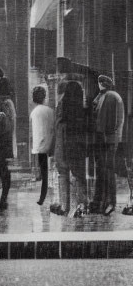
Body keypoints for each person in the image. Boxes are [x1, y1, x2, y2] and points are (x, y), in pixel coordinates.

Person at [52, 79, 90, 217]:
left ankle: (64, 206)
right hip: (77, 146)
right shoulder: (82, 110)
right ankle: (81, 205)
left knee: (63, 174)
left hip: (62, 145)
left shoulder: (61, 106)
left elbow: (58, 128)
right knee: (79, 176)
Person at [90, 74, 124, 216]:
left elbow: (106, 121)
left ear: (101, 84)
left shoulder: (109, 96)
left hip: (106, 139)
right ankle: (104, 201)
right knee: (106, 170)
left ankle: (108, 202)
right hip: (109, 139)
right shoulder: (109, 95)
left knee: (106, 171)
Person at [29, 86, 55, 206]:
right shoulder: (50, 111)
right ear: (44, 97)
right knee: (53, 172)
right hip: (51, 145)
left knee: (44, 174)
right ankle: (51, 197)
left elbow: (33, 133)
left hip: (39, 147)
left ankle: (42, 197)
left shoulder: (33, 113)